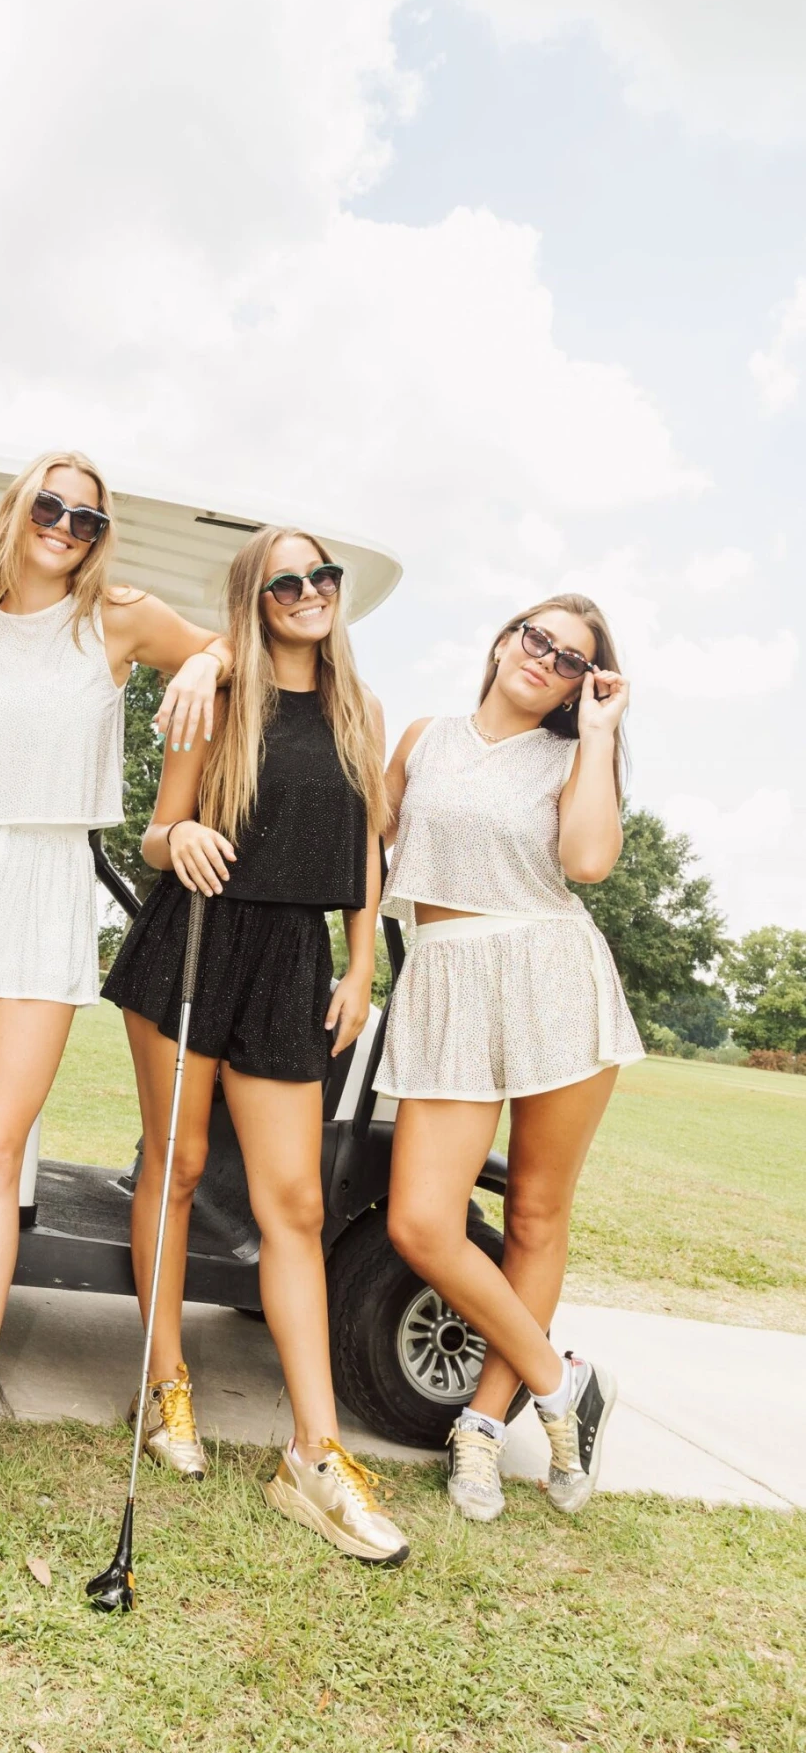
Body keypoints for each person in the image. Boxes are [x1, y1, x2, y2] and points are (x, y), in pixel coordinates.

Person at [0, 451, 233, 1526]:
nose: (66, 525)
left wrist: (207, 664)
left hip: (43, 882)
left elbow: (228, 650)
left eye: (86, 515)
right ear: (16, 511)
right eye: (51, 505)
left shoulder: (118, 621)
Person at [103, 527, 410, 1565]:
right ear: (255, 595)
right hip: (191, 939)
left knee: (296, 1206)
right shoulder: (216, 693)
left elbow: (367, 851)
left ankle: (314, 1456)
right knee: (178, 1165)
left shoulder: (360, 710)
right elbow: (157, 830)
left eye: (323, 576)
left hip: (293, 961)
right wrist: (176, 838)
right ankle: (165, 1387)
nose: (309, 591)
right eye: (286, 580)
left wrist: (361, 963)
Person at [378, 595, 642, 1525]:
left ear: (583, 686)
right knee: (421, 1221)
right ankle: (560, 1380)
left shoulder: (573, 755)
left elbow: (590, 861)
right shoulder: (422, 738)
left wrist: (600, 736)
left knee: (533, 1212)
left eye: (573, 661)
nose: (548, 660)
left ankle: (483, 1430)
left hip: (552, 977)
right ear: (501, 641)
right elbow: (364, 851)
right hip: (446, 983)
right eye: (538, 639)